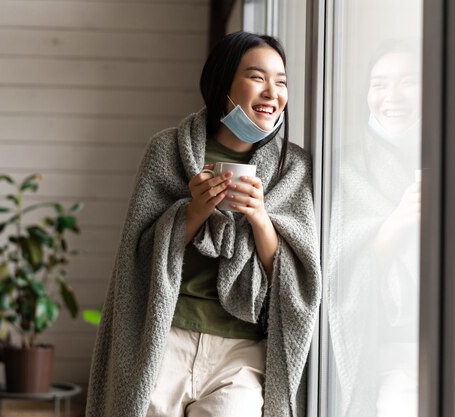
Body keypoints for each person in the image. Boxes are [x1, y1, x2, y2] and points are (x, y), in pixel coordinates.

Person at [86, 31, 321, 417]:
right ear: (222, 84)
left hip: (241, 352)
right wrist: (193, 210)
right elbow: (136, 255)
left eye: (280, 82)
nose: (271, 92)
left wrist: (260, 217)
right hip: (166, 339)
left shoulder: (292, 169)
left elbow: (297, 274)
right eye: (257, 77)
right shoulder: (168, 149)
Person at [328, 39, 421, 417]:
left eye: (409, 81)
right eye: (379, 84)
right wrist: (398, 223)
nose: (392, 96)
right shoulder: (342, 166)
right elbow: (332, 265)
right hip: (386, 346)